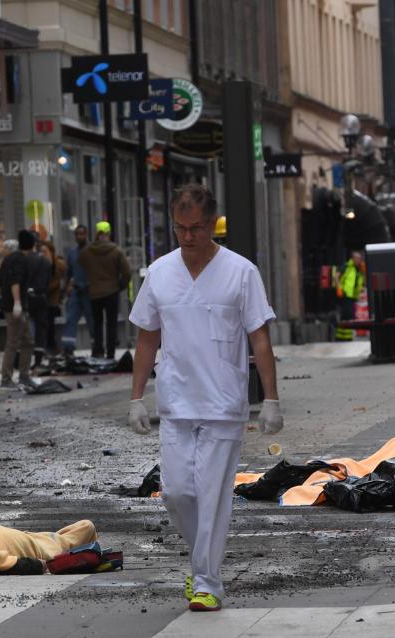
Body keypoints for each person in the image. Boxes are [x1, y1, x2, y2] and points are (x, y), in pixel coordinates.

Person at [127, 183, 283, 613]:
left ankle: (207, 583)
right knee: (177, 493)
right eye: (181, 228)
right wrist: (136, 397)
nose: (188, 236)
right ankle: (202, 565)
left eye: (196, 227)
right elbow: (146, 339)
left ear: (212, 223)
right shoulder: (159, 273)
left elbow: (260, 339)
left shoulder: (241, 272)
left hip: (223, 406)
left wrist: (270, 398)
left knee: (212, 496)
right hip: (175, 403)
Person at [79, 221, 131, 360]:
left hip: (94, 292)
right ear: (108, 234)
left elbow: (80, 263)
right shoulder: (116, 251)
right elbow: (127, 272)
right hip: (112, 291)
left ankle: (98, 350)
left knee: (97, 323)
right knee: (111, 323)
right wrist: (120, 285)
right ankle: (111, 353)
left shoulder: (87, 252)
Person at [0, 230, 37, 389]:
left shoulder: (9, 259)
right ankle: (8, 378)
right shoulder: (21, 261)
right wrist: (17, 303)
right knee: (14, 342)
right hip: (15, 308)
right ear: (32, 245)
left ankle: (22, 376)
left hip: (10, 306)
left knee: (26, 341)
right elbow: (15, 282)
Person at [61, 225, 95, 356]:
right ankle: (68, 347)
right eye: (77, 234)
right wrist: (64, 289)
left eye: (82, 234)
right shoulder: (73, 252)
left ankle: (96, 347)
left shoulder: (92, 250)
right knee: (70, 318)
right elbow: (68, 272)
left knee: (92, 320)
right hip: (76, 290)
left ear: (86, 235)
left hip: (89, 291)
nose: (80, 236)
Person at [25, 234, 52, 369]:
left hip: (27, 298)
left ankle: (26, 358)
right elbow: (48, 280)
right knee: (41, 327)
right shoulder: (45, 262)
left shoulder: (24, 260)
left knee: (28, 327)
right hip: (41, 297)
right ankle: (38, 359)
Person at [40, 241, 67, 356]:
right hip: (43, 300)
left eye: (45, 251)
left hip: (53, 300)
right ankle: (49, 347)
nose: (42, 254)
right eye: (40, 252)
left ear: (51, 252)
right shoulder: (40, 264)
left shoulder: (59, 265)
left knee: (50, 324)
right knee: (46, 325)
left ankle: (53, 347)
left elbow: (60, 281)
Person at [334, 251, 364, 341]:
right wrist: (339, 288)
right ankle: (341, 337)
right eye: (356, 258)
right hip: (345, 294)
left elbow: (359, 282)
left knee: (350, 316)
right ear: (353, 258)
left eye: (359, 258)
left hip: (352, 296)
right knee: (346, 315)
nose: (358, 260)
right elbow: (336, 276)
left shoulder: (358, 269)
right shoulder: (347, 266)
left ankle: (346, 336)